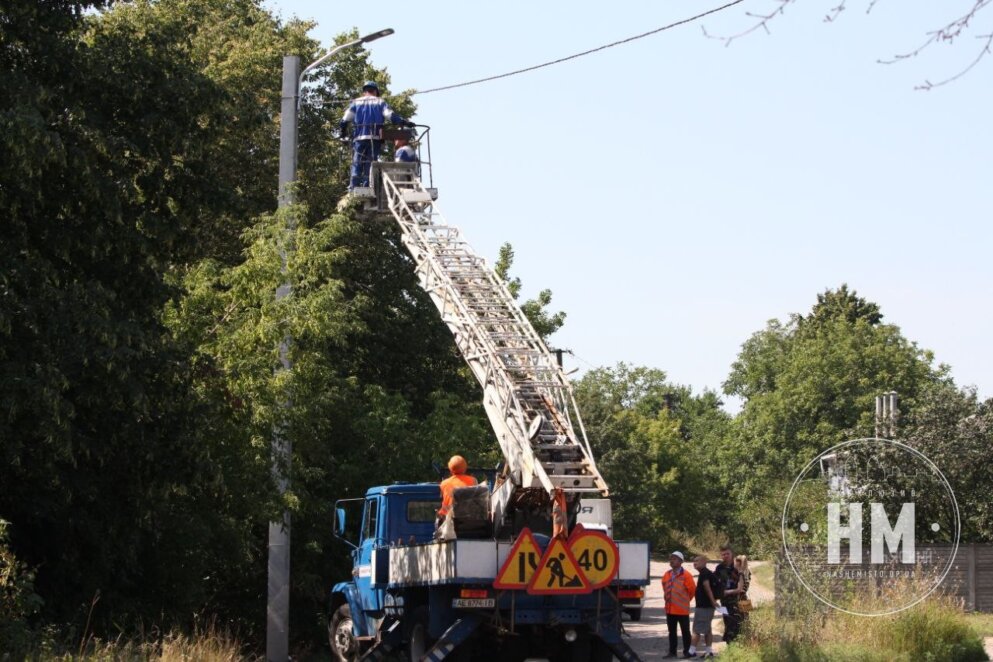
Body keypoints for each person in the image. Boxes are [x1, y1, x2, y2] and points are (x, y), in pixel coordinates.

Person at [339, 81, 414, 189]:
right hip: (374, 138)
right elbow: (390, 115)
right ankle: (366, 185)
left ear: (364, 92)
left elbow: (345, 119)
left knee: (357, 162)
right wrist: (404, 122)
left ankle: (353, 186)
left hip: (359, 138)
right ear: (375, 91)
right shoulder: (380, 102)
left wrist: (342, 132)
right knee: (370, 163)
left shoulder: (356, 102)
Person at [662, 551, 696, 659]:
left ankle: (687, 652)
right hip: (670, 609)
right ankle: (672, 652)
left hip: (682, 610)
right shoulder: (667, 574)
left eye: (675, 558)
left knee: (685, 632)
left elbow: (692, 591)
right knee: (671, 632)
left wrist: (684, 601)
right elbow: (665, 588)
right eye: (671, 558)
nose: (672, 560)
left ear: (681, 561)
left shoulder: (686, 575)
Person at [435, 455, 478, 531]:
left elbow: (443, 499)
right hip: (468, 520)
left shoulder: (444, 483)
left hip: (448, 520)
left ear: (450, 469)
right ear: (465, 468)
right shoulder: (473, 481)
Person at [714, 545, 744, 644]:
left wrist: (731, 591)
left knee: (745, 623)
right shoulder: (719, 568)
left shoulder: (739, 565)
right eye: (723, 554)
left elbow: (745, 584)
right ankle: (731, 649)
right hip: (726, 601)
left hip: (743, 599)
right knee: (729, 624)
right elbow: (714, 583)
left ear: (732, 553)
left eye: (727, 554)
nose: (725, 556)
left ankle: (746, 647)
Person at [688, 555, 717, 659]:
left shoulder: (704, 573)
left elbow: (707, 587)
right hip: (708, 606)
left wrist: (713, 601)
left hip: (704, 607)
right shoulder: (706, 573)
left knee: (696, 630)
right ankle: (709, 652)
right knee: (707, 630)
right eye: (694, 561)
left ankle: (691, 652)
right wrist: (713, 602)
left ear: (704, 562)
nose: (694, 563)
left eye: (697, 561)